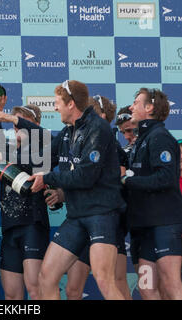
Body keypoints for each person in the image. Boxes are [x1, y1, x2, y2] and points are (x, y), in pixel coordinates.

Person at [29, 80, 126, 300]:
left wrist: (47, 178)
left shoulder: (98, 128)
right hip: (76, 216)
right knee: (46, 276)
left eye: (57, 103)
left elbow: (85, 176)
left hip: (101, 213)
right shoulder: (68, 131)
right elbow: (40, 157)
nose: (54, 108)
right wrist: (0, 160)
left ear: (71, 104)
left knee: (104, 279)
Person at [0, 101, 54, 300]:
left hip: (33, 225)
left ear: (35, 124)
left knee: (35, 290)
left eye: (23, 122)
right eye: (15, 124)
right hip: (9, 228)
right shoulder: (7, 149)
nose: (17, 127)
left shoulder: (44, 148)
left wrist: (13, 119)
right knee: (12, 295)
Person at [65, 95, 132, 300]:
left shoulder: (114, 149)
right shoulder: (79, 142)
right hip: (84, 221)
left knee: (115, 282)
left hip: (108, 222)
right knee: (72, 289)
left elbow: (114, 183)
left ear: (101, 116)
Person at [124, 88, 182, 300]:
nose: (131, 107)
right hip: (145, 226)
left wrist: (128, 181)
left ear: (149, 108)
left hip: (164, 224)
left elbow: (166, 178)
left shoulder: (160, 137)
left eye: (136, 102)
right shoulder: (142, 138)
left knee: (171, 284)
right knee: (147, 288)